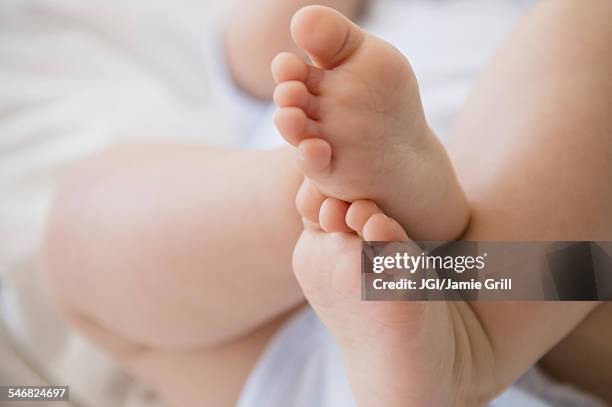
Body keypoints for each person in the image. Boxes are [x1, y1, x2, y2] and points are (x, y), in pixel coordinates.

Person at [43, 0, 612, 406]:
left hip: (524, 308)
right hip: (295, 299)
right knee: (80, 230)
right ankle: (315, 199)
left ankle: (474, 335)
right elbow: (258, 48)